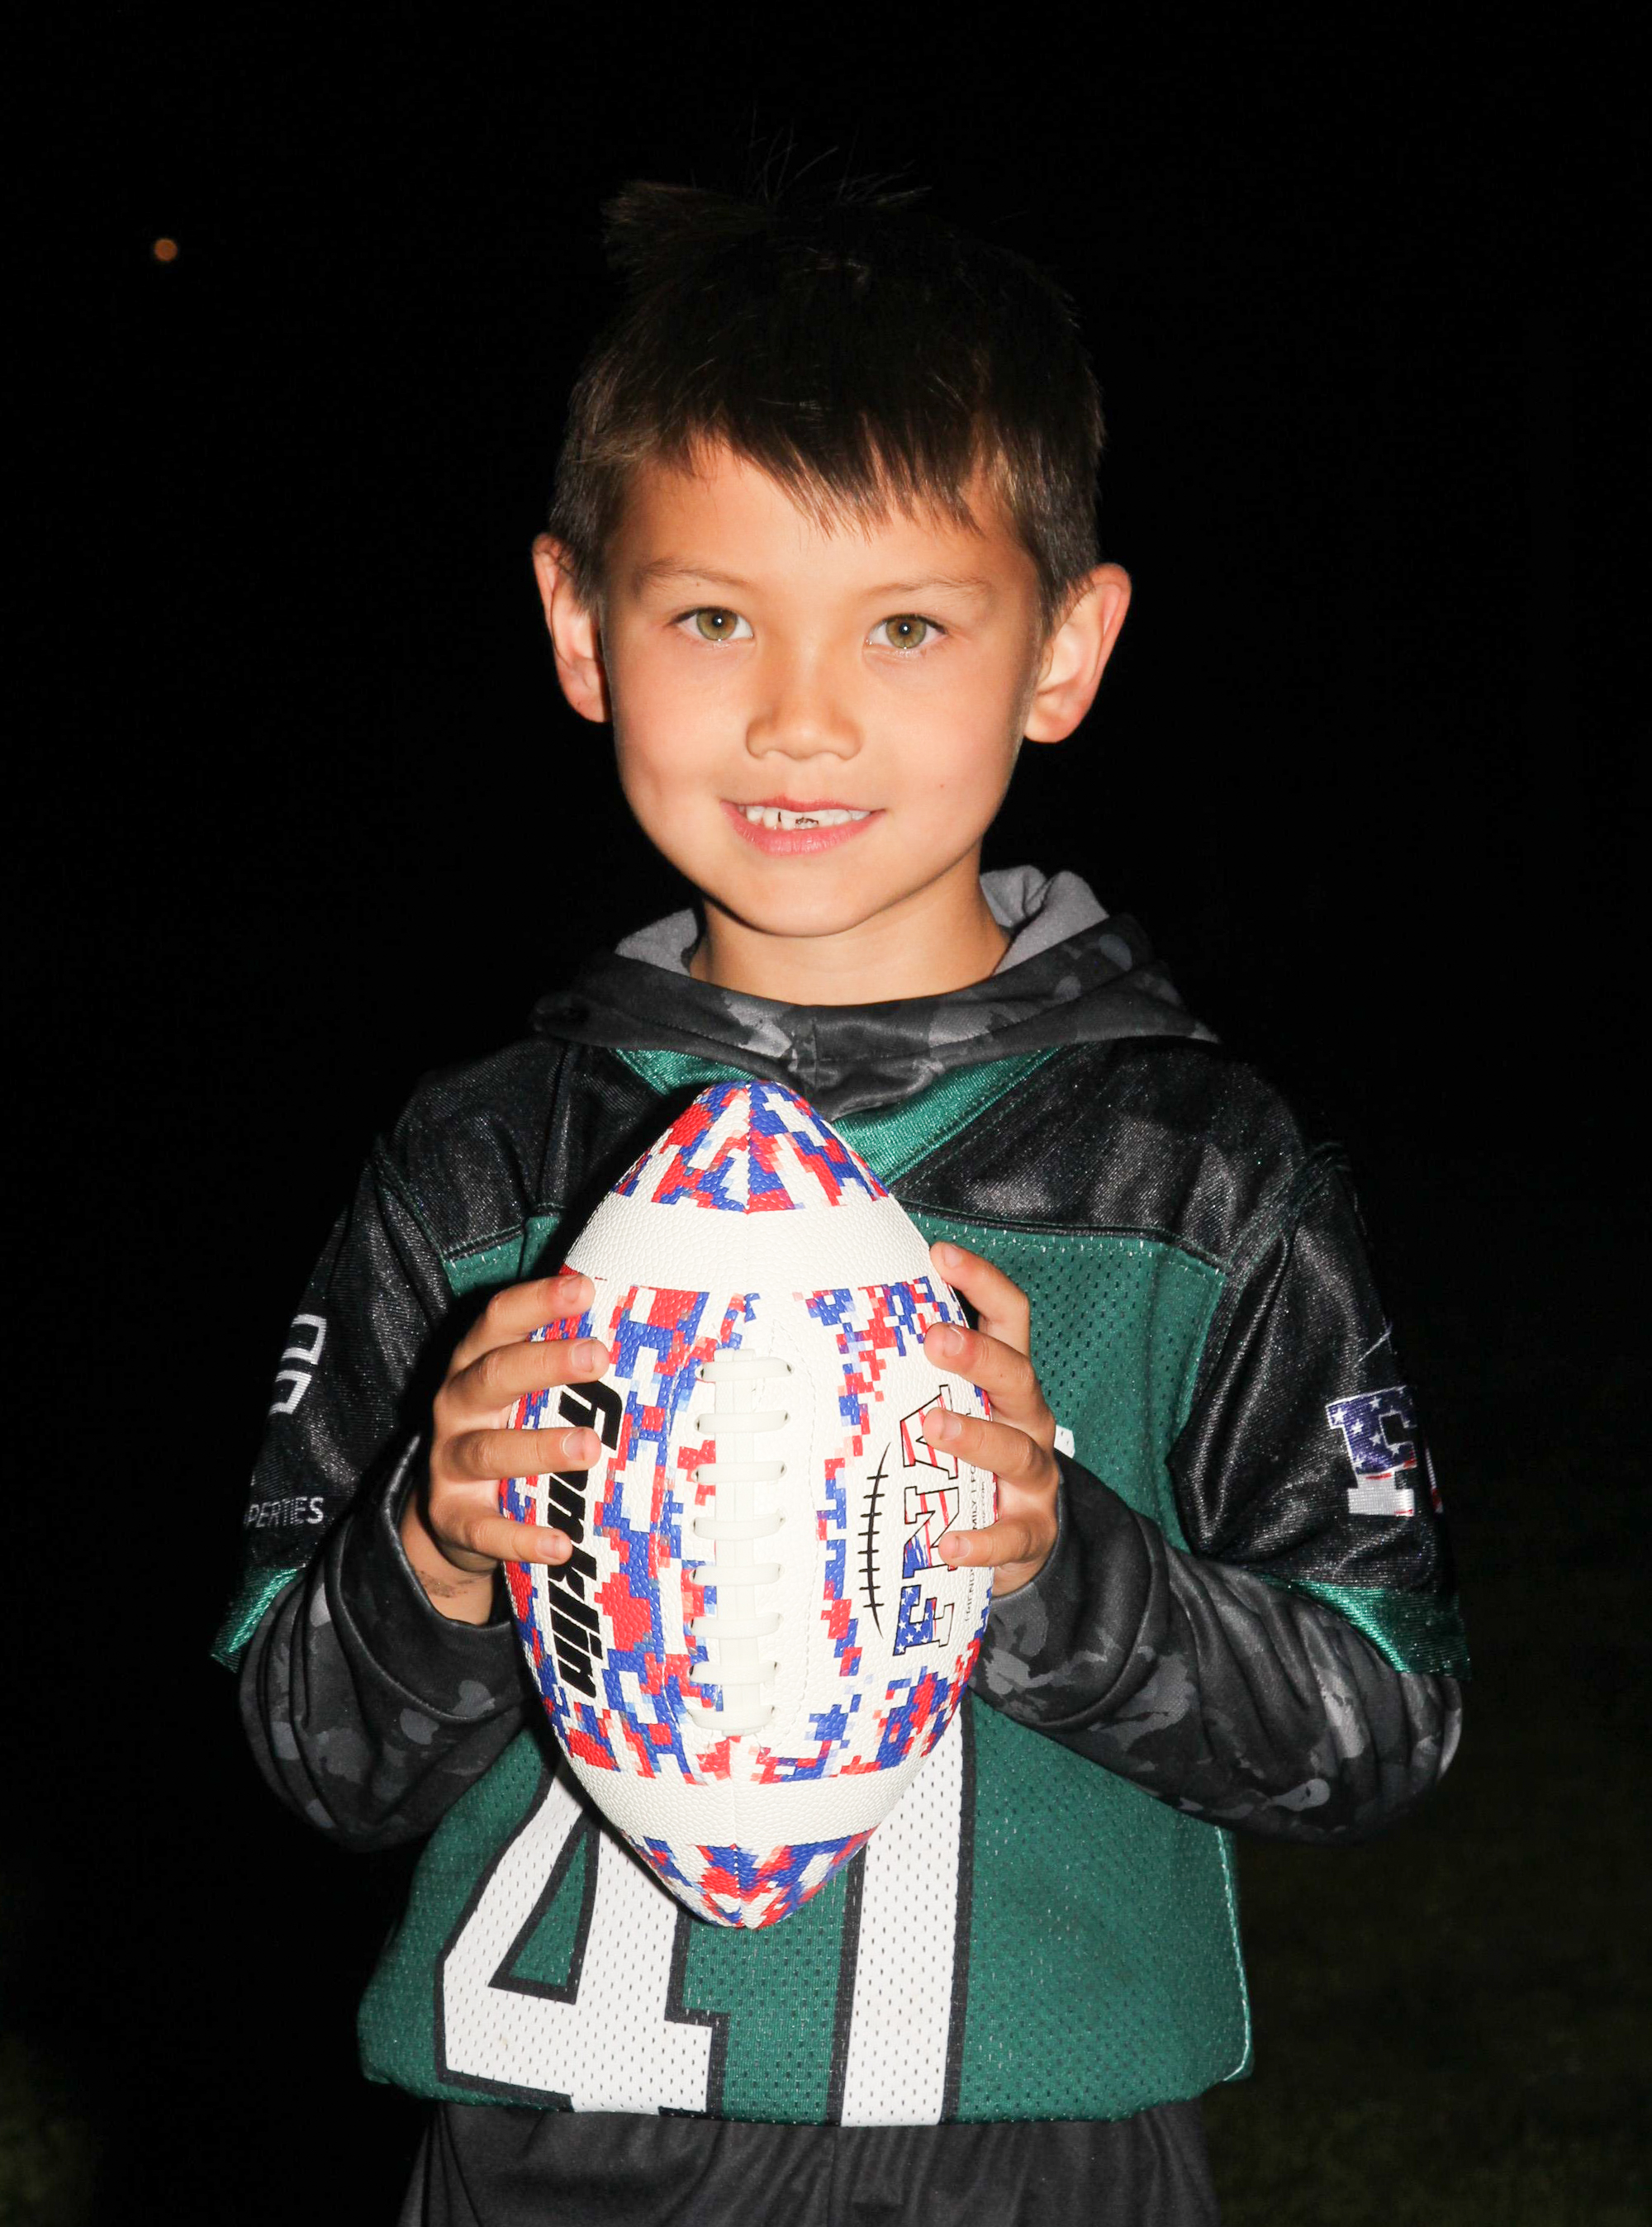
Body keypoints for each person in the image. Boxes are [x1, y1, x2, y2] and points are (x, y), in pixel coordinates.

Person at [221, 175, 1466, 2225]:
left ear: (1063, 646)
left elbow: (1381, 1719)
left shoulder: (1195, 1174)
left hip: (1035, 2165)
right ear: (578, 625)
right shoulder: (478, 1169)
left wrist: (1053, 1568)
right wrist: (435, 1556)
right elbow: (309, 1749)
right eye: (714, 616)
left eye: (904, 624)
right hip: (546, 2157)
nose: (800, 716)